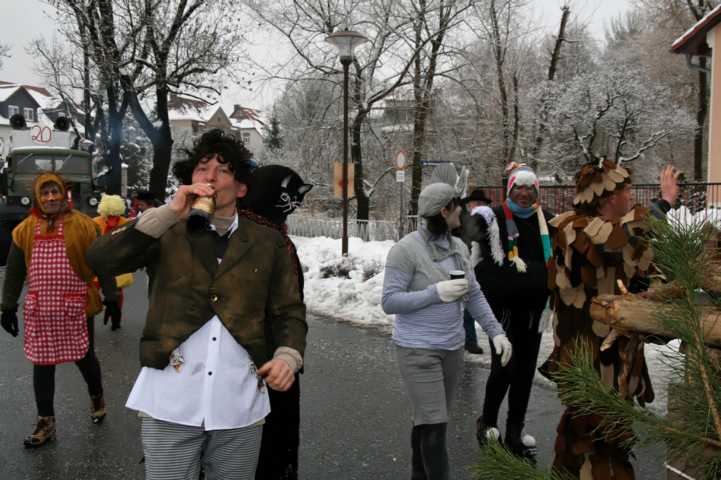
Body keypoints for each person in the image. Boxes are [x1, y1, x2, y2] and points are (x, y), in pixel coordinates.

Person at [87, 129, 307, 480]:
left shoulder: (268, 242)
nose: (210, 177)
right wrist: (168, 212)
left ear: (241, 187)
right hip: (170, 400)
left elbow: (289, 312)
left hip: (240, 405)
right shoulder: (166, 229)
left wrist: (287, 356)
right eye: (202, 168)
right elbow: (101, 259)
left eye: (223, 170)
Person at [541, 160, 679, 479]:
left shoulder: (622, 240)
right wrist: (663, 204)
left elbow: (644, 272)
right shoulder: (572, 229)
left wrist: (658, 298)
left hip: (619, 363)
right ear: (607, 197)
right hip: (586, 362)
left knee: (598, 443)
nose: (631, 197)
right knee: (595, 443)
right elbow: (613, 241)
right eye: (627, 190)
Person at [381, 182, 512, 480]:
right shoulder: (405, 250)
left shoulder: (458, 248)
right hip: (417, 350)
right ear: (444, 211)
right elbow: (389, 302)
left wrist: (496, 332)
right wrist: (435, 292)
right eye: (458, 206)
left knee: (429, 421)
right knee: (436, 425)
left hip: (452, 350)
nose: (463, 211)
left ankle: (418, 475)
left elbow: (474, 294)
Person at [0, 172, 120, 448]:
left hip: (76, 305)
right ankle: (45, 422)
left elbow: (101, 263)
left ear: (64, 195)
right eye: (45, 193)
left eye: (55, 192)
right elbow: (15, 272)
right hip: (41, 308)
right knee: (42, 363)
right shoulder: (24, 230)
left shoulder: (84, 226)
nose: (51, 198)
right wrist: (7, 307)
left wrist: (111, 296)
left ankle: (96, 396)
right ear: (38, 197)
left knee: (84, 356)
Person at [461, 166, 554, 461]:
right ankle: (487, 422)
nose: (525, 194)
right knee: (505, 367)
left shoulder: (547, 222)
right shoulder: (494, 218)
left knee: (525, 372)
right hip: (502, 310)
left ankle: (515, 430)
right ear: (510, 190)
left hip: (534, 311)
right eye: (519, 188)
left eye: (531, 189)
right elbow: (460, 235)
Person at [240, 164, 313, 480]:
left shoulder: (267, 236)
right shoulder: (265, 241)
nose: (293, 210)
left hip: (271, 362)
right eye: (291, 202)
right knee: (263, 450)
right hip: (261, 367)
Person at [93, 193, 134, 330]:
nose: (112, 219)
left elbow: (132, 243)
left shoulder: (126, 223)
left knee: (117, 294)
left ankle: (116, 319)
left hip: (117, 264)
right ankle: (89, 318)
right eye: (109, 215)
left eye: (115, 215)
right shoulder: (95, 222)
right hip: (98, 263)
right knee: (92, 290)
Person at [459, 188, 493, 355]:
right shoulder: (464, 220)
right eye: (475, 203)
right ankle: (469, 341)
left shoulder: (489, 220)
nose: (478, 206)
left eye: (481, 203)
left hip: (485, 268)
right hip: (465, 266)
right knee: (466, 305)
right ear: (469, 205)